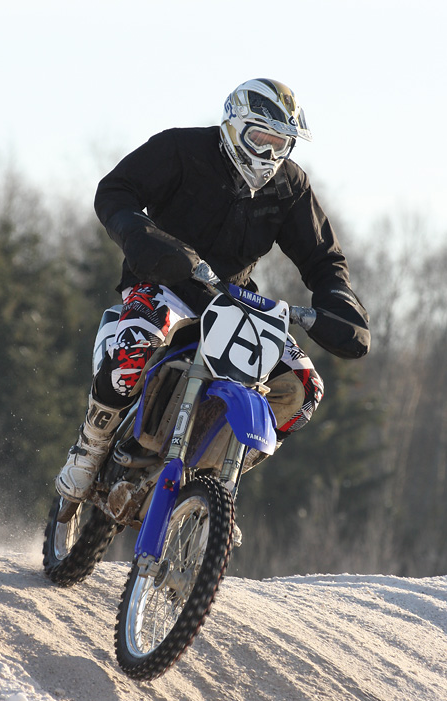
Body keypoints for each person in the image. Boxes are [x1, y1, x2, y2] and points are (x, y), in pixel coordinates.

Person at [56, 78, 370, 503]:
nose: (269, 154)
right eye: (260, 138)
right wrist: (142, 236)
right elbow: (115, 190)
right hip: (162, 282)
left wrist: (339, 301)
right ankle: (90, 447)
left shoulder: (290, 185)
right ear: (234, 126)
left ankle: (215, 483)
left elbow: (323, 258)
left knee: (304, 389)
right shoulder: (181, 149)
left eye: (281, 143)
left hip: (233, 303)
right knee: (138, 341)